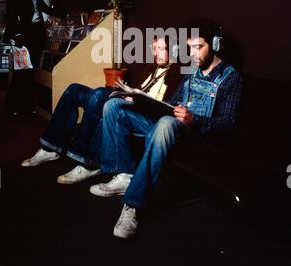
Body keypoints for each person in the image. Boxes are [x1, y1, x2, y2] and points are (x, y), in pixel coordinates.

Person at [90, 20, 243, 239]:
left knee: (165, 124)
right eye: (189, 48)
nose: (193, 54)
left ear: (215, 45)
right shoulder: (192, 70)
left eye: (198, 47)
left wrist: (195, 119)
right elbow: (172, 101)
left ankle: (133, 204)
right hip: (168, 125)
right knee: (114, 105)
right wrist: (143, 102)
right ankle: (123, 175)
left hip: (195, 134)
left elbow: (227, 124)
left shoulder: (231, 78)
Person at [20, 37, 181, 185]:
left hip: (140, 112)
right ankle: (51, 147)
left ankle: (88, 162)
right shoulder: (152, 67)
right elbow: (139, 90)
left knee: (98, 96)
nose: (155, 53)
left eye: (160, 49)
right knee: (74, 89)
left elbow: (165, 106)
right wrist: (127, 94)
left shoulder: (177, 72)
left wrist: (138, 102)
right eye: (154, 48)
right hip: (128, 102)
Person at [3, 0, 57, 114]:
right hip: (22, 36)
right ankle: (12, 106)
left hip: (35, 34)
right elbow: (11, 12)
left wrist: (63, 13)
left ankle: (26, 106)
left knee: (30, 73)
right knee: (21, 72)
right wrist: (17, 34)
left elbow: (43, 8)